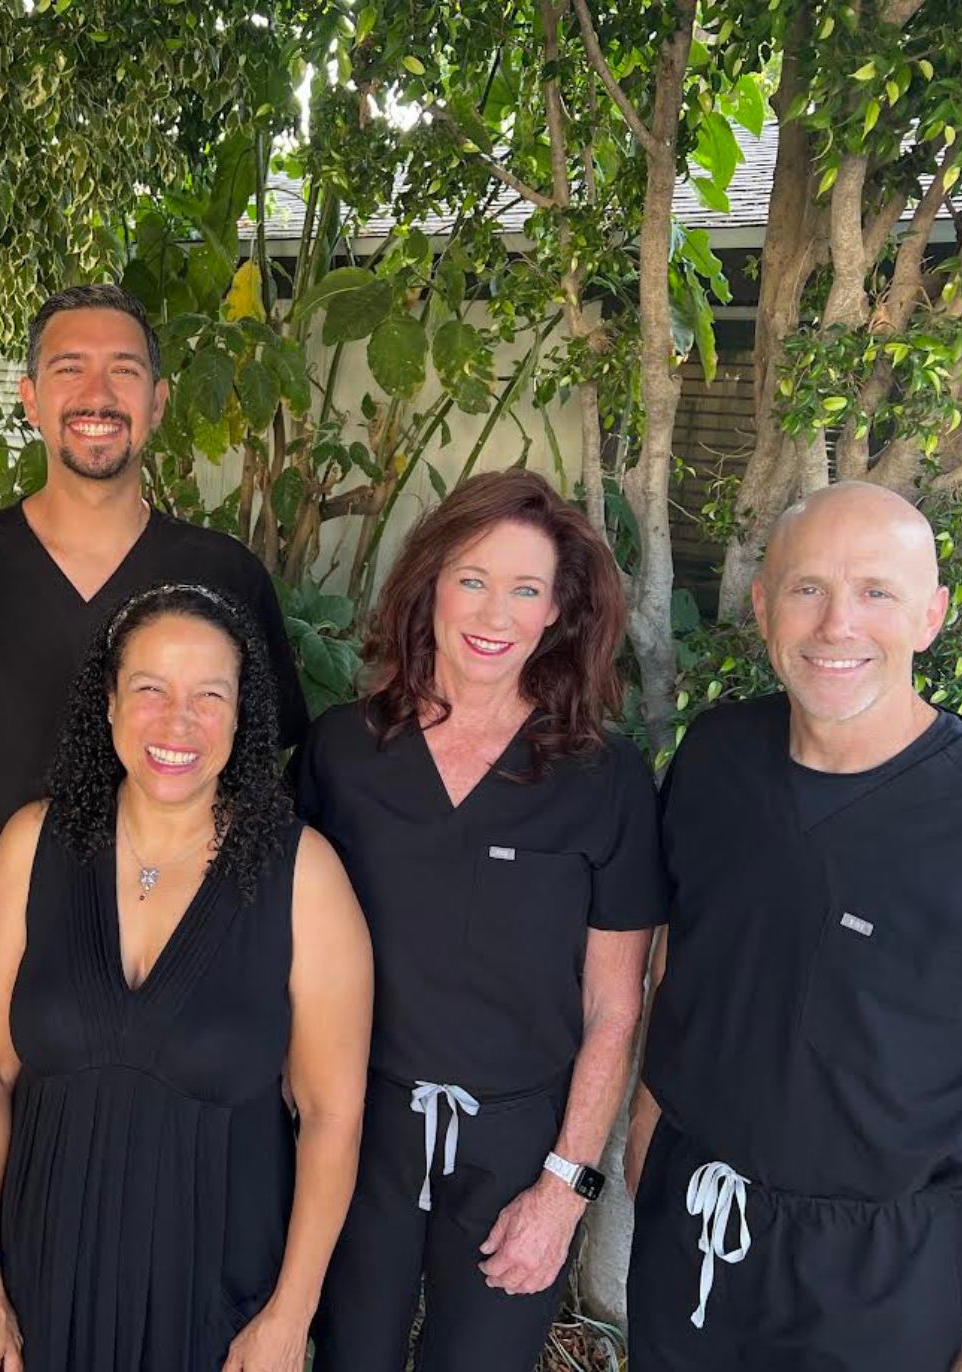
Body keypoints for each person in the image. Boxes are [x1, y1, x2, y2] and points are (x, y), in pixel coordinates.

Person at [0, 281, 308, 1367]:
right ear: (29, 398)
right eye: (67, 367)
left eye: (123, 369)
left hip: (181, 1033)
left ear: (158, 401)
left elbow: (263, 785)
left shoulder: (220, 577)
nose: (96, 392)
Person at [626, 481, 962, 1372]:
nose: (836, 625)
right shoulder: (714, 758)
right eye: (807, 588)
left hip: (879, 1280)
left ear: (930, 616)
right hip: (690, 1234)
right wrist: (647, 1144)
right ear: (761, 606)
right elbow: (684, 960)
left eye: (875, 592)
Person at [0, 584, 371, 1372]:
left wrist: (289, 1315)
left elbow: (331, 1115)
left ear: (241, 716)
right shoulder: (31, 845)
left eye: (209, 695)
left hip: (214, 1301)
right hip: (36, 1282)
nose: (178, 722)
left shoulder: (303, 876)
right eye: (150, 689)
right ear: (107, 702)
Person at [296, 470, 664, 1369]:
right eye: (471, 579)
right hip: (357, 1128)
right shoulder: (343, 750)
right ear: (429, 585)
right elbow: (286, 953)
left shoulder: (602, 775)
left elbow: (613, 1007)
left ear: (557, 612)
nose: (493, 613)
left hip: (518, 1147)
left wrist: (565, 1187)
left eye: (525, 589)